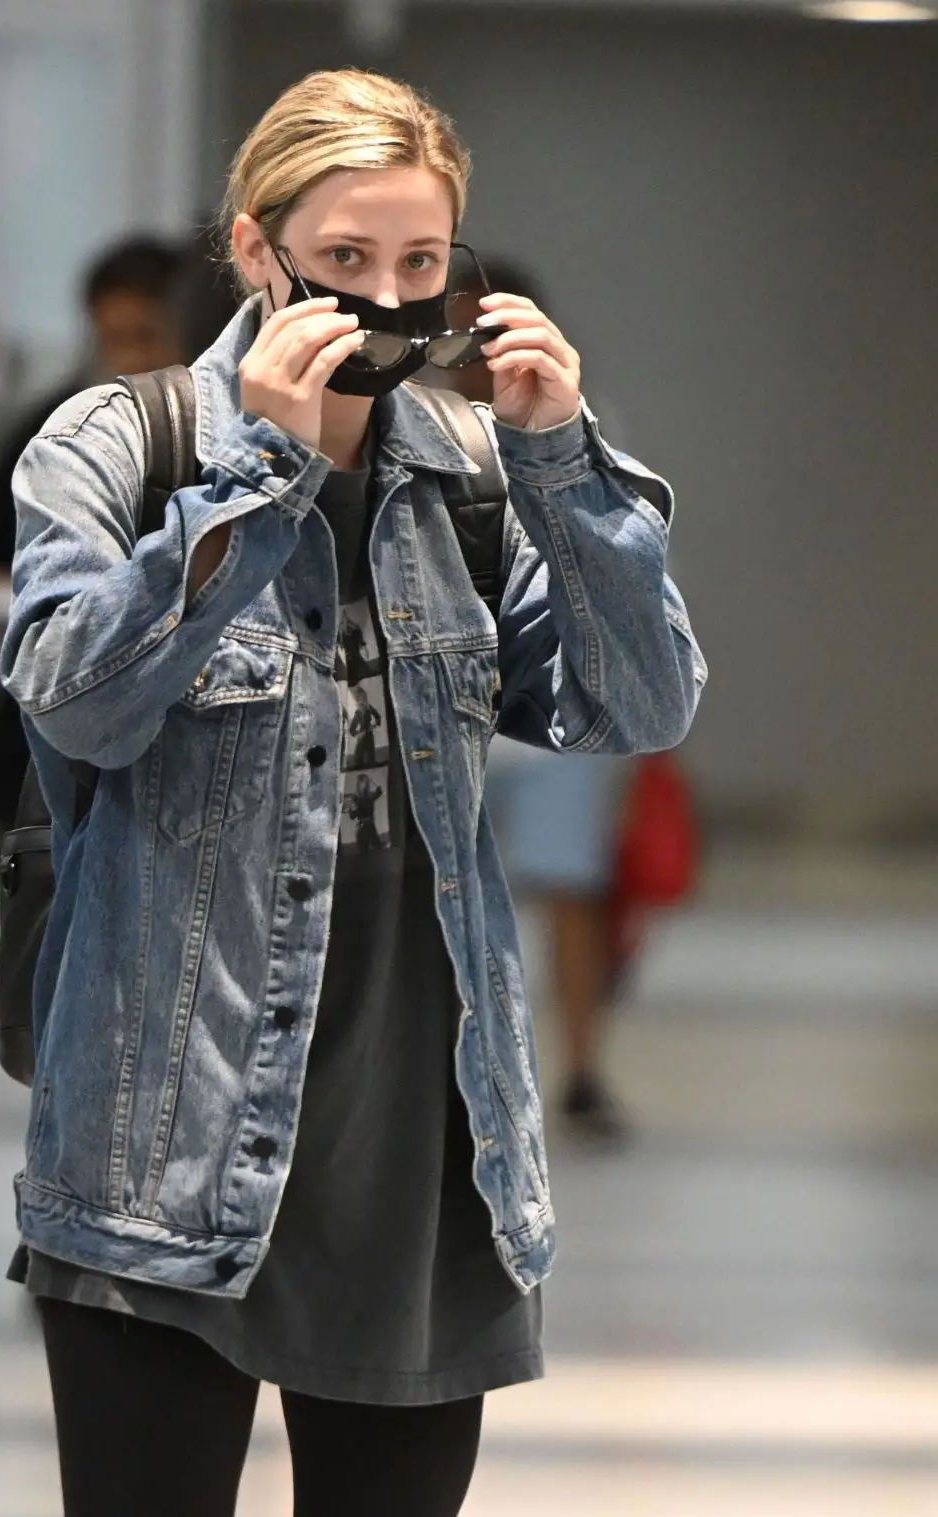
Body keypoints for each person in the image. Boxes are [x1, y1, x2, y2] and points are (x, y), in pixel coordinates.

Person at [0, 68, 706, 1517]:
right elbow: (77, 695)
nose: (389, 298)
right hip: (163, 1149)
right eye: (344, 263)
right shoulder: (118, 448)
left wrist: (561, 458)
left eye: (422, 265)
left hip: (424, 1162)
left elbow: (639, 703)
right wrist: (264, 468)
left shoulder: (464, 472)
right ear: (256, 252)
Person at [426, 255, 638, 1147]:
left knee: (570, 893)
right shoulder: (406, 430)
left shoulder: (572, 428)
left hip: (553, 717)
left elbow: (627, 579)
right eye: (460, 334)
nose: (476, 352)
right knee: (434, 891)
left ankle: (583, 1066)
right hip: (439, 705)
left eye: (491, 331)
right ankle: (439, 1069)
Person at [0, 235, 185, 837]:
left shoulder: (227, 437)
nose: (130, 361)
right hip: (47, 756)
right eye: (113, 340)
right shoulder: (65, 430)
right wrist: (10, 596)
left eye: (146, 336)